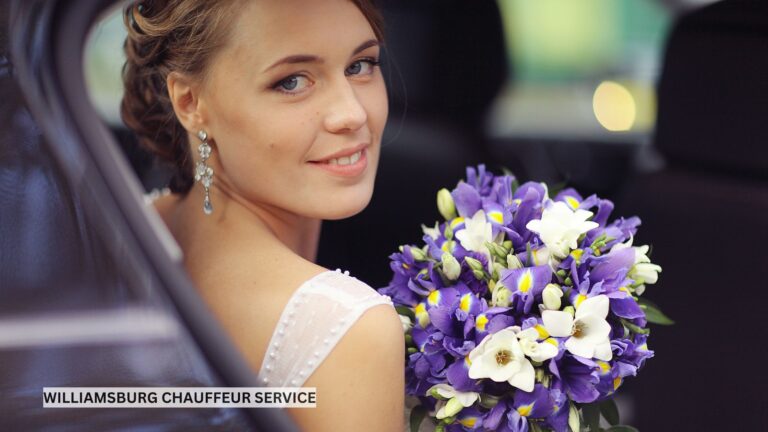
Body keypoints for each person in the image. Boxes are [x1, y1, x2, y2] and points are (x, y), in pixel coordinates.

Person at [121, 0, 405, 430]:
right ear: (190, 101)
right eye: (292, 81)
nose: (352, 113)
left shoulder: (121, 231)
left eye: (360, 65)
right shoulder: (349, 330)